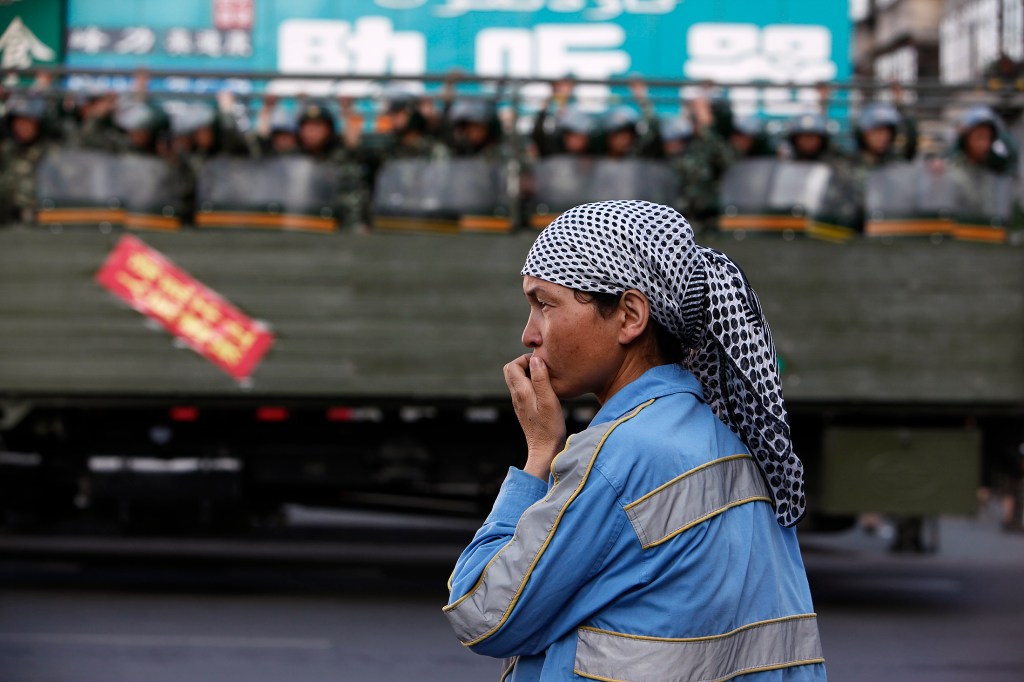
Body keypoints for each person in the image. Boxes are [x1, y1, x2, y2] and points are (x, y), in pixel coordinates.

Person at [444, 200, 825, 681]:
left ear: (629, 315)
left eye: (545, 304)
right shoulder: (729, 439)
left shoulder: (621, 455)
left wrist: (540, 454)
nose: (529, 335)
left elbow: (482, 613)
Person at [0, 95, 53, 225]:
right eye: (19, 121)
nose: (23, 126)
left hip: (40, 219)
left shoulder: (50, 152)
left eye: (29, 121)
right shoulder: (6, 150)